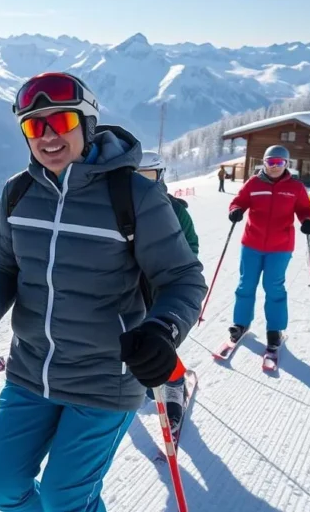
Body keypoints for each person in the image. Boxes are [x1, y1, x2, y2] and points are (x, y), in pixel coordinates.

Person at [0, 72, 207, 511]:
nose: (47, 136)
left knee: (65, 498)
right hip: (31, 372)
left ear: (85, 123)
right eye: (33, 125)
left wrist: (162, 331)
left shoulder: (135, 196)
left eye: (60, 121)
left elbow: (182, 278)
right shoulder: (19, 192)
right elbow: (2, 266)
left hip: (106, 377)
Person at [226, 145, 310, 353]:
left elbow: (305, 209)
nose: (274, 166)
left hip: (280, 246)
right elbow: (239, 201)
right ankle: (241, 323)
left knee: (274, 287)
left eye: (279, 162)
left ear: (286, 164)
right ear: (264, 163)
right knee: (245, 284)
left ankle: (275, 330)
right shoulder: (253, 183)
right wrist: (236, 210)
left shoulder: (295, 187)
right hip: (251, 244)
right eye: (270, 162)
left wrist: (308, 220)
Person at [137, 150, 199, 433]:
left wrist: (168, 273)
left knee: (157, 344)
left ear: (160, 176)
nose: (140, 182)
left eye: (148, 176)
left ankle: (173, 384)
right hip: (126, 291)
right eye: (134, 176)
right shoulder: (115, 206)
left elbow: (190, 252)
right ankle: (139, 388)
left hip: (158, 289)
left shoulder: (174, 210)